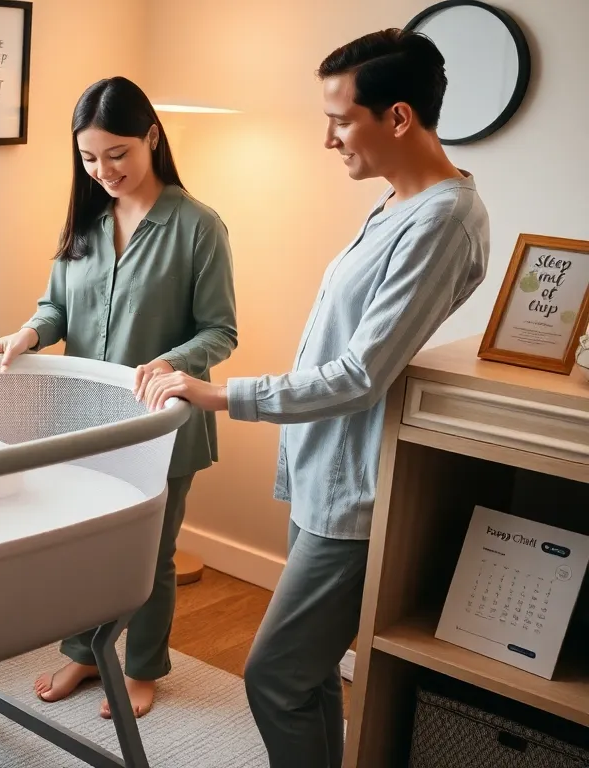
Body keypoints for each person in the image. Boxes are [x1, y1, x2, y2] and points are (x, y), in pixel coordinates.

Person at [138, 29, 490, 768]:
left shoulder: (444, 220)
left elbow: (360, 371)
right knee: (311, 673)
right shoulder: (400, 204)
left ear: (397, 117)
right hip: (324, 470)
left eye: (339, 118)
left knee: (275, 674)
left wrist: (218, 393)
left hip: (355, 492)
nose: (328, 139)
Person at [0, 75, 238, 720]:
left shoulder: (198, 227)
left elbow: (220, 331)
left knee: (151, 555)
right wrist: (28, 333)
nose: (104, 171)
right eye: (90, 158)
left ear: (152, 135)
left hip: (161, 424)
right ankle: (87, 653)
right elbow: (56, 305)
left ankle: (145, 666)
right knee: (83, 547)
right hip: (82, 421)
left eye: (117, 154)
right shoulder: (85, 221)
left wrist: (167, 364)